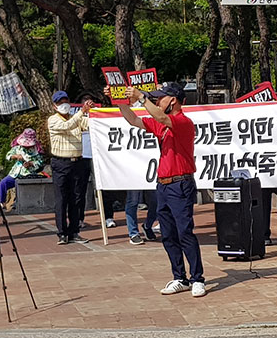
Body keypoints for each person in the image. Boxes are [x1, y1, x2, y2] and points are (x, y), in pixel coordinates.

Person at [112, 82, 205, 297]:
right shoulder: (161, 124)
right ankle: (179, 277)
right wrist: (120, 101)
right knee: (168, 234)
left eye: (160, 98)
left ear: (173, 100)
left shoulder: (182, 121)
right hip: (163, 184)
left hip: (180, 183)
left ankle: (197, 278)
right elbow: (134, 120)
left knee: (185, 232)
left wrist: (141, 98)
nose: (156, 101)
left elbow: (162, 118)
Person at [47, 90, 92, 245]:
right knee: (61, 199)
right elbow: (67, 126)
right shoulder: (53, 120)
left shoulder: (77, 118)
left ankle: (74, 231)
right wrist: (81, 112)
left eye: (65, 101)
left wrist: (90, 112)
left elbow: (89, 125)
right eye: (60, 103)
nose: (63, 105)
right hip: (61, 163)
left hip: (77, 161)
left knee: (76, 198)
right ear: (54, 106)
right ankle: (62, 232)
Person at [0, 128, 45, 207]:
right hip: (15, 173)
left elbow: (40, 163)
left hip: (28, 174)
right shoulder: (18, 148)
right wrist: (15, 156)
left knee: (19, 185)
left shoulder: (37, 150)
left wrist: (30, 164)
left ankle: (17, 203)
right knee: (3, 183)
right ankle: (2, 203)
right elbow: (8, 155)